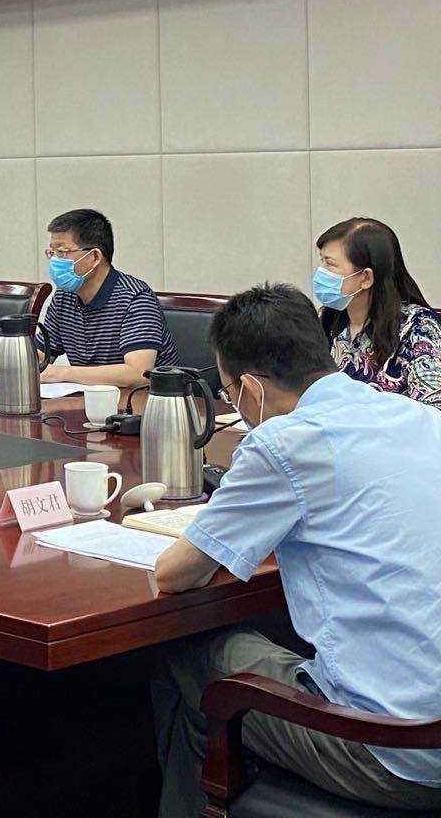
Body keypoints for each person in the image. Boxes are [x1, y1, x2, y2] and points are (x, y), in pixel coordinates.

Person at [152, 284, 441, 816]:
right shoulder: (418, 417)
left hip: (398, 752)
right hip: (430, 719)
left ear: (250, 388)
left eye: (228, 392)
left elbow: (176, 574)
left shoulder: (285, 441)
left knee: (193, 657)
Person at [38, 208, 177, 388]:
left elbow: (138, 373)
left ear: (94, 257)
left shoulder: (135, 298)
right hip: (88, 399)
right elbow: (39, 357)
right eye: (52, 252)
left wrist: (61, 373)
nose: (55, 261)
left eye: (62, 252)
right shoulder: (64, 297)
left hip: (143, 401)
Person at [314, 216, 440, 408]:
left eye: (330, 264)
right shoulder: (330, 321)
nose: (321, 272)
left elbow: (434, 410)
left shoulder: (418, 328)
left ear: (366, 278)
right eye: (322, 261)